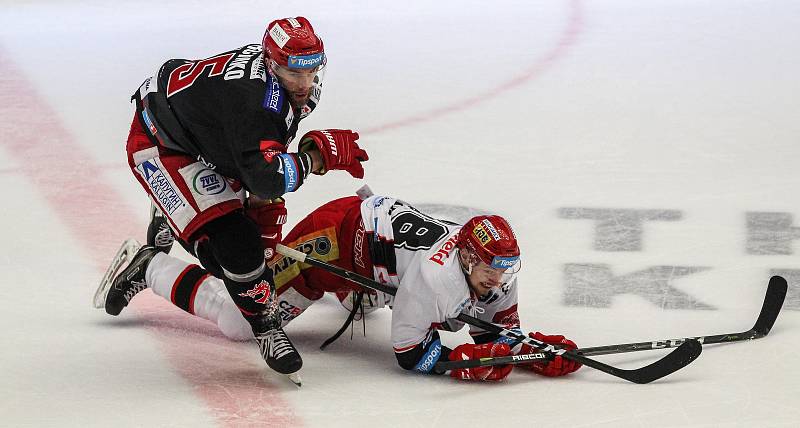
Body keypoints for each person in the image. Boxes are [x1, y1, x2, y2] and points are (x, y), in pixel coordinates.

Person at [99, 16, 368, 380]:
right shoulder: (255, 104)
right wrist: (315, 159)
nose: (304, 83)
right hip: (162, 146)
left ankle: (175, 215)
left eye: (311, 71)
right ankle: (267, 328)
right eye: (294, 73)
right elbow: (266, 177)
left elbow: (266, 160)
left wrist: (267, 224)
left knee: (246, 254)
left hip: (203, 136)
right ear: (271, 64)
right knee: (232, 249)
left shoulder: (285, 91)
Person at [99, 190, 581, 382]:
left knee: (373, 301)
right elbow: (412, 352)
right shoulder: (435, 275)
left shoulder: (491, 273)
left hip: (376, 262)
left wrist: (530, 352)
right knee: (239, 319)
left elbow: (492, 332)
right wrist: (460, 364)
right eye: (493, 270)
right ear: (468, 257)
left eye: (507, 271)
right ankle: (149, 265)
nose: (499, 283)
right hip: (335, 241)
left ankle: (360, 292)